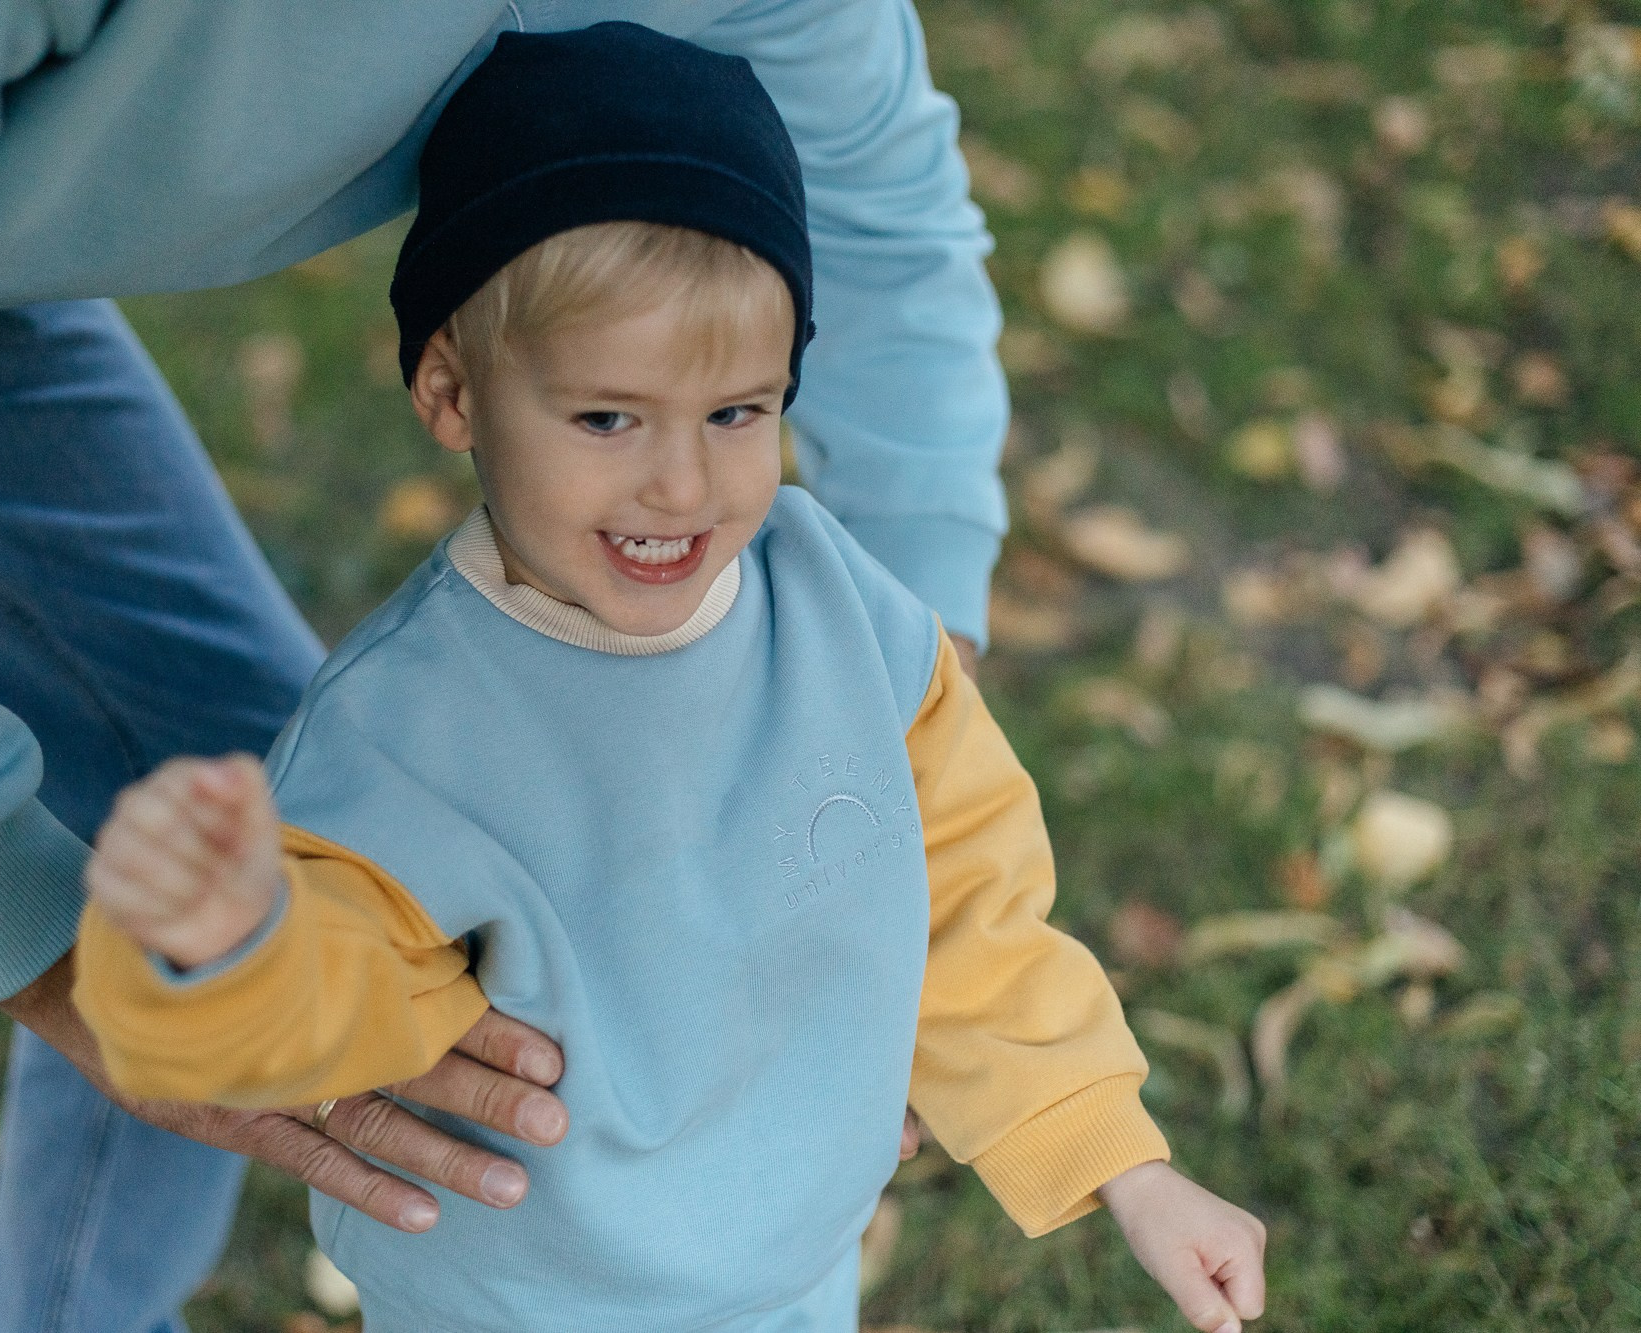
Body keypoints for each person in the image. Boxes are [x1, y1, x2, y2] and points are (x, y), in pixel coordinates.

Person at [0, 1, 1008, 1328]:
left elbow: (874, 194)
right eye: (608, 420)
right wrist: (5, 907)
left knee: (268, 851)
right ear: (449, 394)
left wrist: (890, 725)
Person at [73, 25, 1268, 1333]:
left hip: (796, 1278)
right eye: (607, 418)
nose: (682, 484)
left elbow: (970, 907)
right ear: (453, 391)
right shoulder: (404, 735)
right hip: (519, 1310)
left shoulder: (846, 618)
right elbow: (343, 1005)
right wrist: (228, 940)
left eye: (737, 412)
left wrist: (1124, 1165)